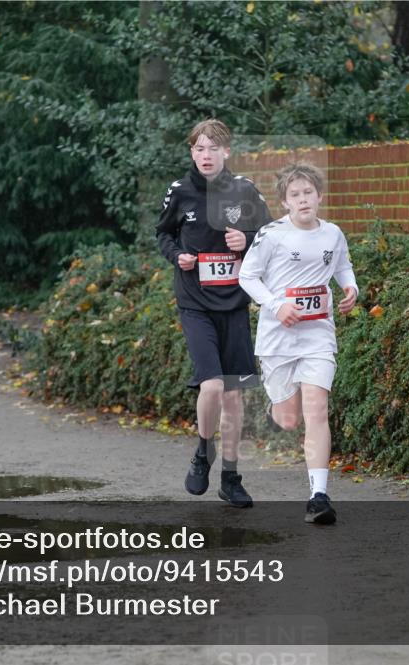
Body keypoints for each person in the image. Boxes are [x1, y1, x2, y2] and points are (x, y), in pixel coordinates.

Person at [156, 119, 272, 508]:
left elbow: (271, 236)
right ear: (192, 152)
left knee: (234, 398)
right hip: (195, 304)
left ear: (226, 151)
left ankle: (231, 478)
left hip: (234, 306)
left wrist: (249, 239)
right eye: (199, 149)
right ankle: (203, 451)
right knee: (212, 386)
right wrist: (179, 257)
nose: (205, 156)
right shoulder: (180, 191)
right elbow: (163, 235)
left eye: (212, 149)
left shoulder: (244, 190)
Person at [238, 163, 358, 524]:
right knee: (289, 420)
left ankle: (318, 497)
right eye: (295, 195)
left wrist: (351, 288)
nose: (303, 199)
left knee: (317, 410)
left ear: (319, 196)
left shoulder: (333, 233)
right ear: (285, 202)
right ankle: (273, 406)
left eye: (309, 192)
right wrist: (276, 306)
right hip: (278, 339)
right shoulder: (271, 235)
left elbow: (342, 266)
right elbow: (247, 276)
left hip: (318, 334)